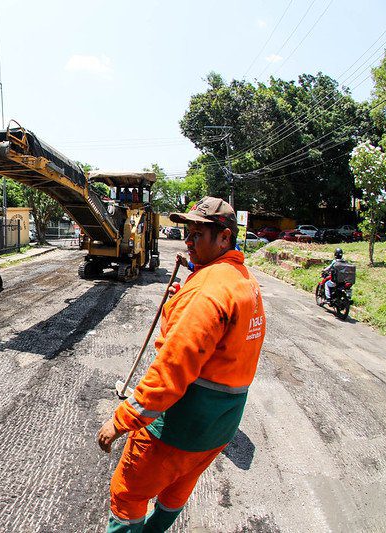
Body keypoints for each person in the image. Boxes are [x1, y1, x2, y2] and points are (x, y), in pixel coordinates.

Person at [97, 196, 266, 532]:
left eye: (197, 235)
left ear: (224, 238)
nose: (187, 241)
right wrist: (184, 299)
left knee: (128, 494)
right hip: (218, 428)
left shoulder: (206, 293)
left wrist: (121, 421)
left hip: (177, 426)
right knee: (177, 489)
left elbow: (169, 374)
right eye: (187, 233)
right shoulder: (242, 280)